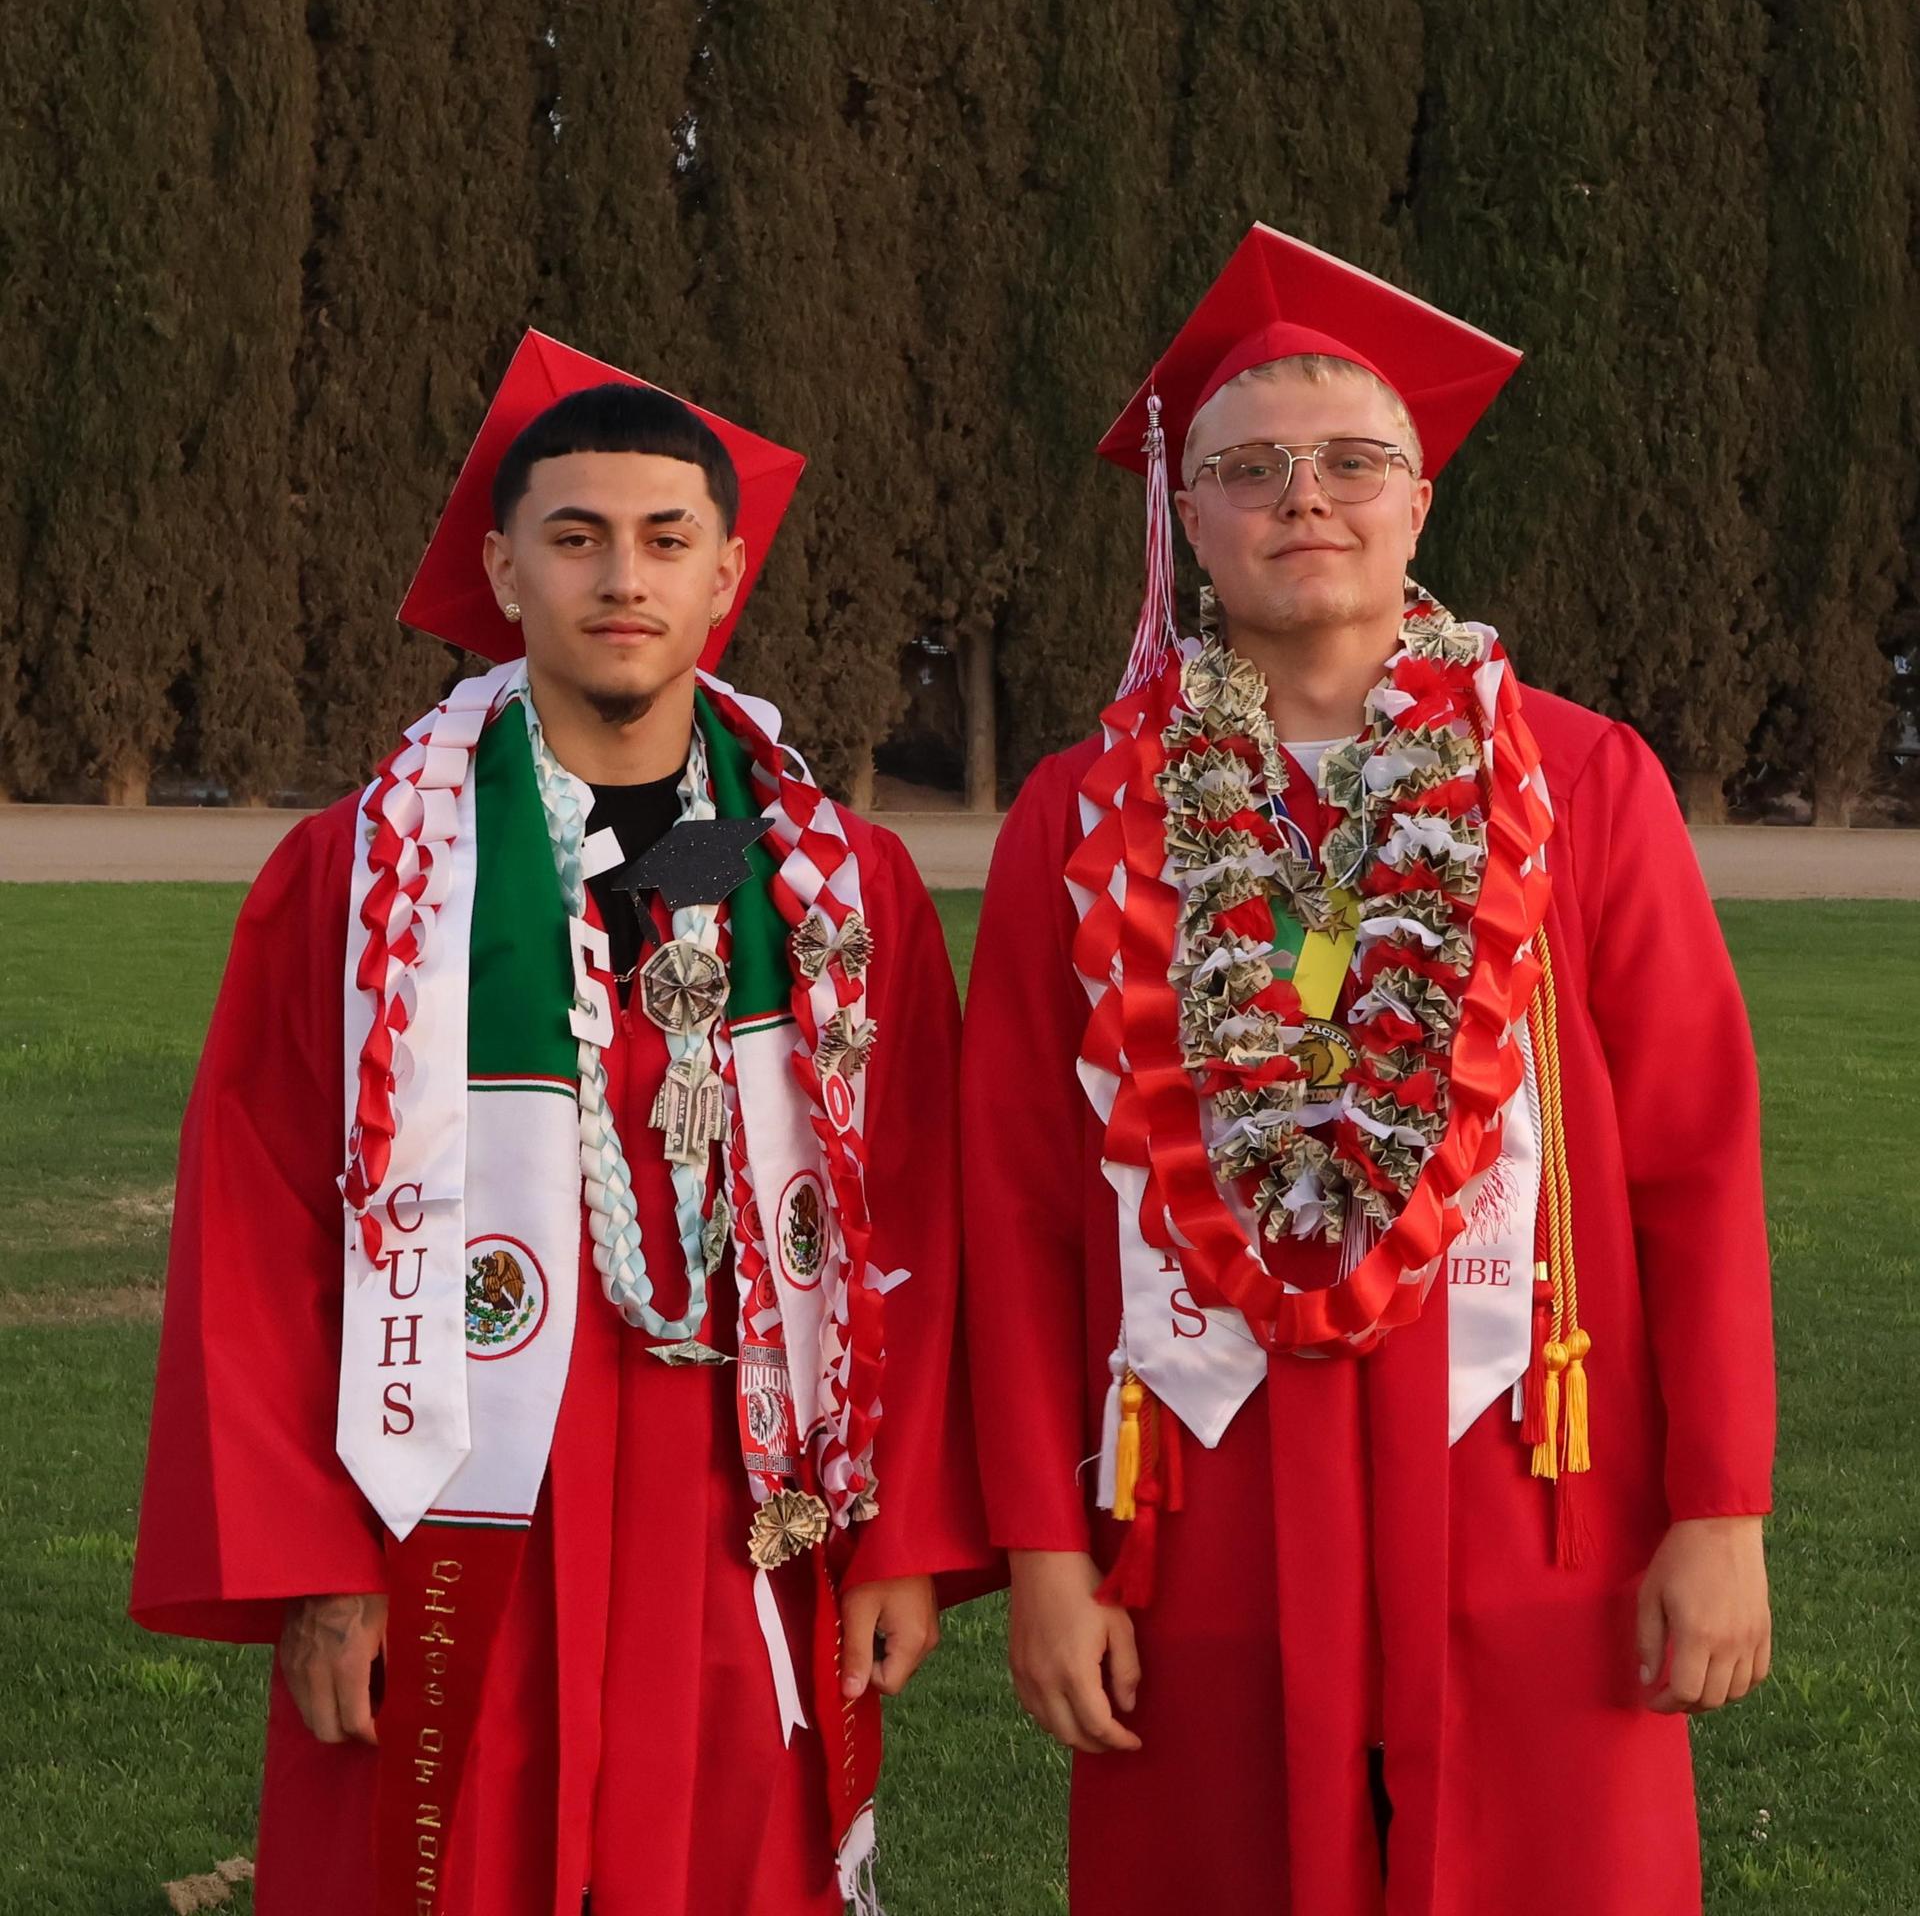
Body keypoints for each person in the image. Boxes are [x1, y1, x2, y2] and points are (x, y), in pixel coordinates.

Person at [962, 225, 1775, 1916]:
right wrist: (1049, 1553)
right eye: (1250, 470)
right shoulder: (1083, 816)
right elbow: (1022, 1202)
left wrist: (1719, 1509)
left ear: (1421, 501)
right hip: (1200, 1504)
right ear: (1189, 522)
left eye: (1352, 461)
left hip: (1535, 1496)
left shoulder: (1581, 781)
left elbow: (1692, 1162)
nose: (1303, 499)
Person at [133, 332, 990, 1916]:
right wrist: (318, 1565)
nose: (623, 577)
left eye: (667, 540)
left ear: (728, 575)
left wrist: (905, 1534)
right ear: (501, 569)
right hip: (452, 1508)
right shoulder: (363, 881)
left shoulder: (841, 891)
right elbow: (255, 1234)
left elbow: (917, 1228)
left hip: (745, 1508)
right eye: (576, 536)